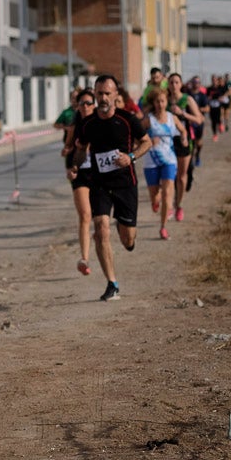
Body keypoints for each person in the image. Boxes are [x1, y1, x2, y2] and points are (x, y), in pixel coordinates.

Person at [72, 74, 151, 301]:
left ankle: (127, 235)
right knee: (101, 229)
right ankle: (112, 283)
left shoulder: (127, 120)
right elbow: (81, 149)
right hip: (100, 184)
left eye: (108, 93)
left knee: (127, 240)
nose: (103, 98)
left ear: (116, 95)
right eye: (99, 94)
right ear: (95, 95)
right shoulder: (87, 124)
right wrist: (76, 163)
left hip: (126, 184)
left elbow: (147, 142)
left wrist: (131, 157)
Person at [141, 87, 185, 240]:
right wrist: (148, 141)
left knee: (167, 194)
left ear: (166, 102)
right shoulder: (149, 120)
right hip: (151, 161)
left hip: (169, 160)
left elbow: (182, 130)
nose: (160, 104)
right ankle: (155, 201)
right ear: (153, 103)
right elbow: (136, 136)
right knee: (155, 196)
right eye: (157, 101)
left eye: (162, 101)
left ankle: (163, 227)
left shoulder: (172, 118)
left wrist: (184, 138)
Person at [62, 88, 97, 276]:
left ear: (94, 105)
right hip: (80, 173)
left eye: (88, 103)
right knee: (85, 215)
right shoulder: (75, 125)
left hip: (99, 174)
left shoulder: (101, 123)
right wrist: (70, 167)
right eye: (82, 103)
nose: (85, 106)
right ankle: (84, 258)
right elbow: (68, 148)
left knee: (99, 218)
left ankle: (98, 233)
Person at [166, 73, 204, 221]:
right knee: (168, 177)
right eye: (171, 82)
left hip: (183, 140)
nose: (174, 85)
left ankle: (179, 205)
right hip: (166, 142)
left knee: (181, 177)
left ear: (181, 84)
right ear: (168, 85)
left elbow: (199, 119)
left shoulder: (187, 99)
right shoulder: (164, 101)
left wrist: (183, 114)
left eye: (176, 82)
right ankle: (168, 206)